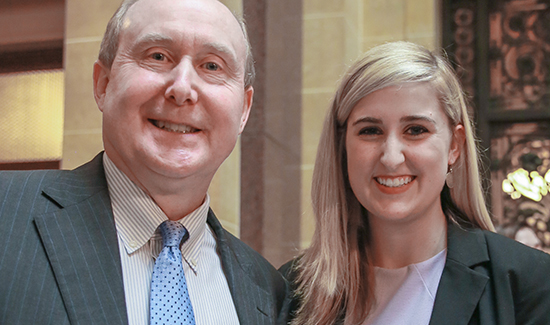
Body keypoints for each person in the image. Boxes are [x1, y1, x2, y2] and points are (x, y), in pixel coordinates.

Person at [0, 0, 288, 324]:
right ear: (103, 84)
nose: (182, 89)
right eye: (157, 56)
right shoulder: (6, 215)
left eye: (212, 66)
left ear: (244, 111)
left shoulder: (268, 290)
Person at [280, 41, 550, 325]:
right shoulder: (290, 291)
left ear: (454, 146)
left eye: (416, 130)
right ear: (342, 146)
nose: (391, 157)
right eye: (370, 131)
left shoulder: (528, 284)